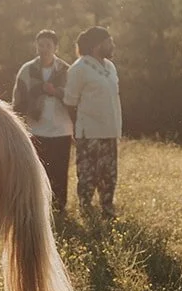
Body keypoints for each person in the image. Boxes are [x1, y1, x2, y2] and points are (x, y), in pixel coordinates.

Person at [63, 26, 122, 218]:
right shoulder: (79, 68)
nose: (112, 45)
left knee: (109, 175)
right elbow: (70, 102)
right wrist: (76, 129)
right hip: (89, 132)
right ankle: (86, 211)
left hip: (110, 130)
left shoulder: (110, 67)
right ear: (98, 45)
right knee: (88, 175)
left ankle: (107, 210)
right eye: (109, 42)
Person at [11, 30, 73, 210]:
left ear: (55, 48)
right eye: (41, 45)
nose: (44, 49)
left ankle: (59, 207)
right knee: (37, 170)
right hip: (36, 128)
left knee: (60, 170)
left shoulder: (66, 70)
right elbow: (18, 98)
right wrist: (38, 91)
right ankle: (38, 206)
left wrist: (56, 92)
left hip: (61, 128)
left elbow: (73, 97)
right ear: (36, 47)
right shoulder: (27, 70)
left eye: (48, 45)